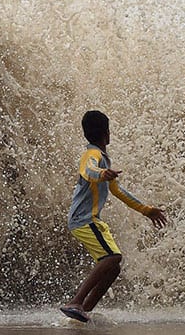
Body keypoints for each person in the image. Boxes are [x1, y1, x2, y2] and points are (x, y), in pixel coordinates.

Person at [60, 110, 167, 323]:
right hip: (83, 219)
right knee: (112, 257)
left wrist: (146, 210)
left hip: (88, 220)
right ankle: (76, 302)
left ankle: (83, 312)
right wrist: (101, 174)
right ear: (107, 133)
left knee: (113, 267)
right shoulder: (93, 156)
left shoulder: (103, 160)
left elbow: (118, 191)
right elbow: (87, 170)